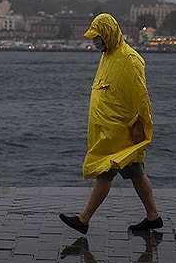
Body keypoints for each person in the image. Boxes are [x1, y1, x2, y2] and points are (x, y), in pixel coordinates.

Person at [59, 13, 162, 234]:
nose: (95, 42)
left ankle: (84, 219)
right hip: (109, 132)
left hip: (121, 133)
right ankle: (153, 216)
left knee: (105, 174)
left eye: (98, 38)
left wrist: (139, 123)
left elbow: (141, 96)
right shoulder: (108, 56)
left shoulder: (130, 59)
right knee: (136, 173)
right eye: (94, 38)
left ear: (108, 34)